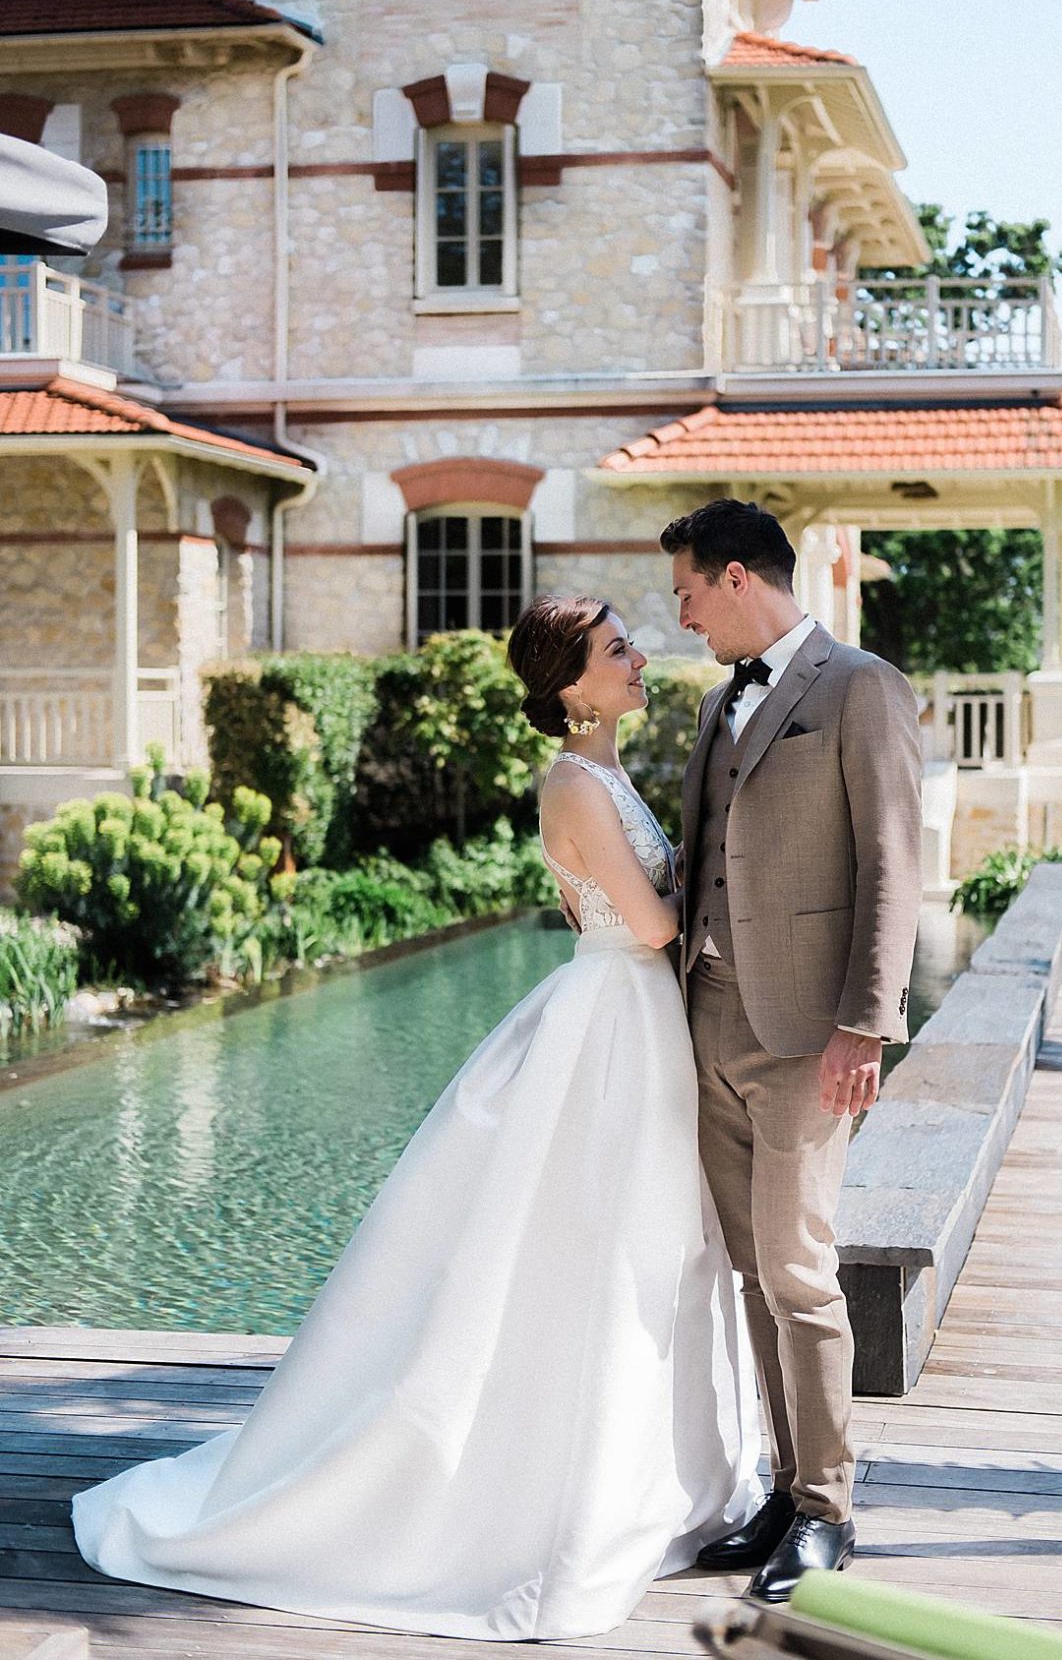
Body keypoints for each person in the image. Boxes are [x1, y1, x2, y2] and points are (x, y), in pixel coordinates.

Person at [71, 593, 762, 1642]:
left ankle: (649, 1470)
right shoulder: (575, 781)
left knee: (643, 1248)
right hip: (613, 1021)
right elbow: (656, 921)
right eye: (616, 648)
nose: (637, 658)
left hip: (636, 1019)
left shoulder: (610, 772)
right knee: (591, 1245)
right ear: (571, 685)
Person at [659, 499, 923, 1603]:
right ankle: (782, 1482)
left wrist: (866, 1024)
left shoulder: (859, 687)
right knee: (753, 1274)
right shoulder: (723, 702)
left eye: (684, 593)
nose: (678, 615)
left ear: (734, 576)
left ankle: (828, 1508)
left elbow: (893, 863)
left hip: (810, 1034)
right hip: (709, 1019)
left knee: (804, 1277)